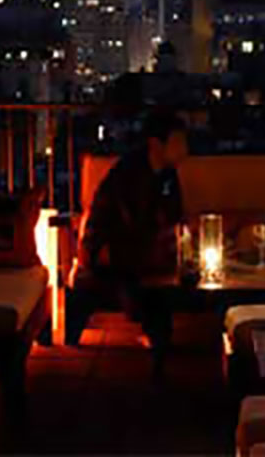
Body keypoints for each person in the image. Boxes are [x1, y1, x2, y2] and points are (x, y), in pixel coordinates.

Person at [81, 109, 189, 376]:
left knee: (180, 260)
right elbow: (130, 226)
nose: (185, 149)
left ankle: (157, 334)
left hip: (141, 244)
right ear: (156, 144)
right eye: (178, 142)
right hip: (110, 245)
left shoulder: (167, 173)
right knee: (147, 269)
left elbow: (173, 215)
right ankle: (154, 335)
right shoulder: (130, 172)